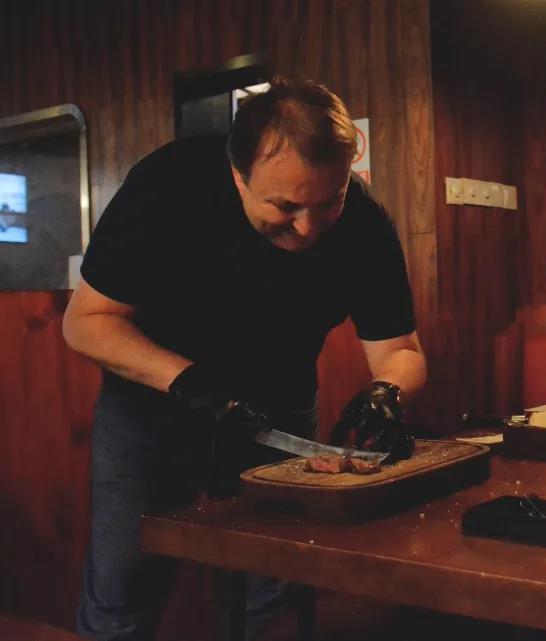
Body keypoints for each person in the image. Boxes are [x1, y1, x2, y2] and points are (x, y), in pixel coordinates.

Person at [63, 78, 426, 640]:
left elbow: (400, 350)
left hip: (278, 418)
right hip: (150, 414)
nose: (307, 228)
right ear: (238, 175)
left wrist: (387, 392)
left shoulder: (364, 223)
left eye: (328, 202)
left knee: (274, 595)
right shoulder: (168, 186)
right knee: (122, 595)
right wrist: (186, 381)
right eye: (284, 206)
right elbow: (86, 321)